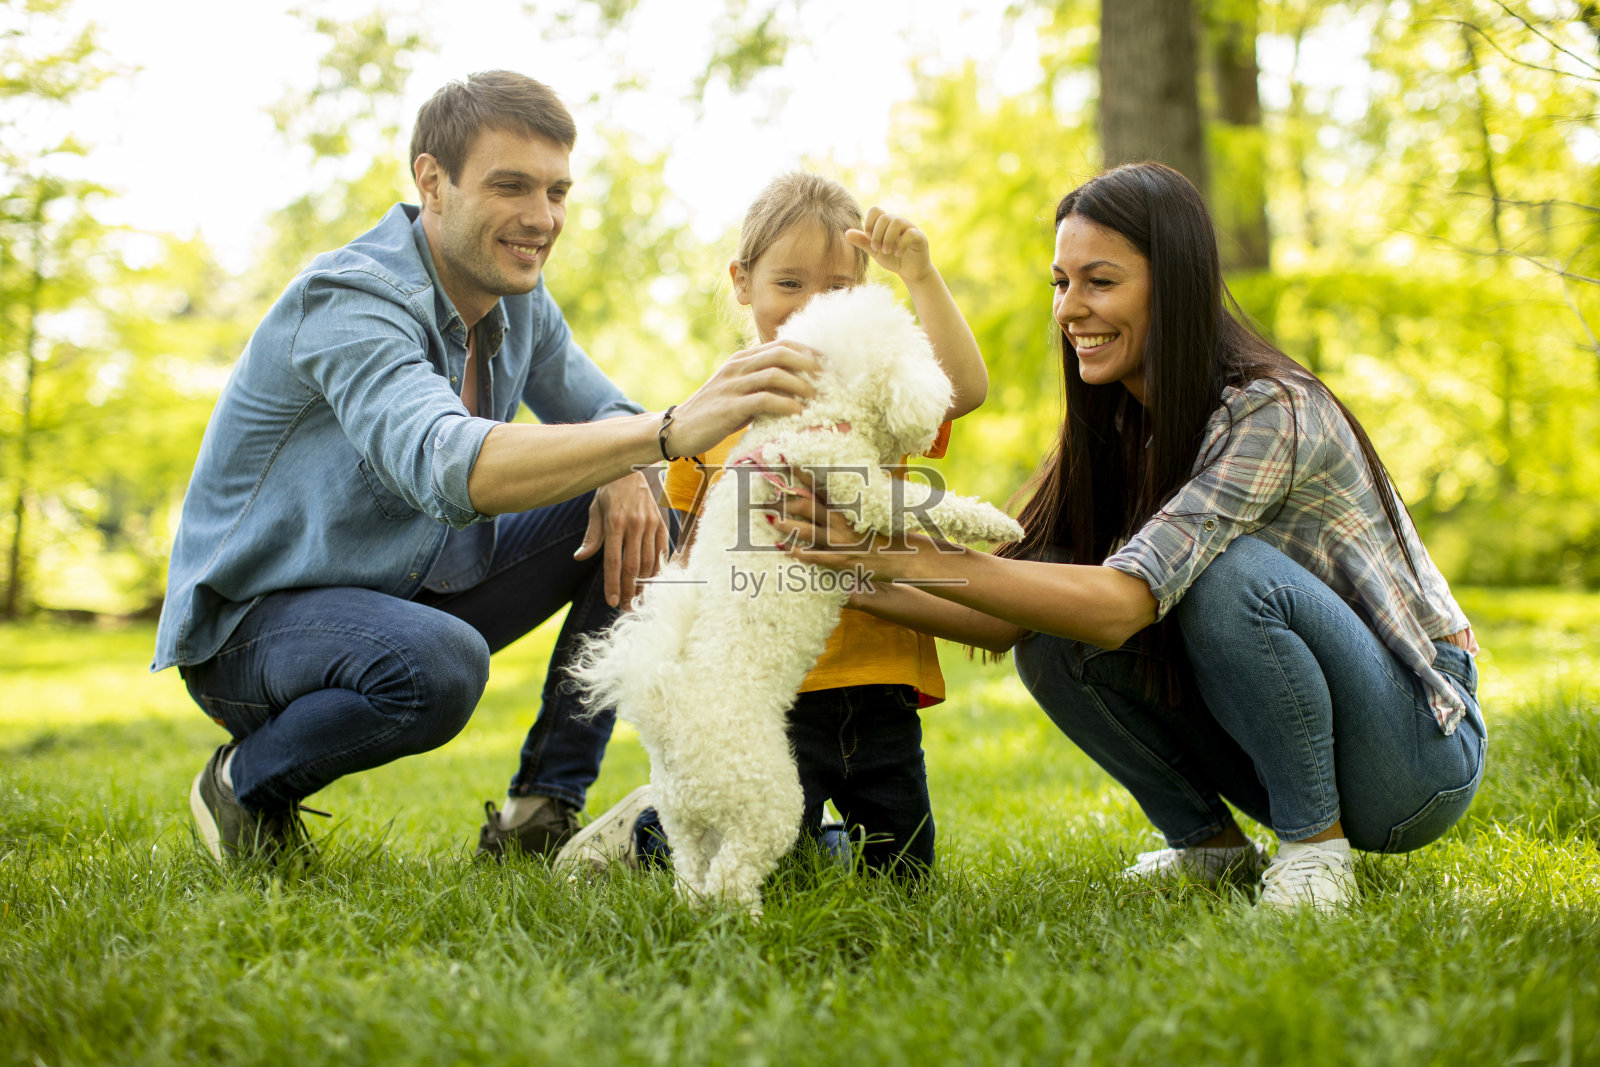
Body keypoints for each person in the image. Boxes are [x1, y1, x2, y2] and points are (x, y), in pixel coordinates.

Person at [773, 162, 1487, 912]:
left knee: (1227, 574)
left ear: (1173, 285)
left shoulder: (1271, 409)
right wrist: (839, 569)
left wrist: (886, 547)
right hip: (1306, 740)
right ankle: (1210, 848)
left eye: (1100, 282)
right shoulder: (1116, 423)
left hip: (1414, 750)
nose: (1070, 308)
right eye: (1061, 283)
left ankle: (1315, 853)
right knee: (1053, 622)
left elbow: (1122, 605)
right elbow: (1004, 613)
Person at [157, 70, 825, 866]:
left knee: (642, 501)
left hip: (407, 587)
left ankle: (540, 810)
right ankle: (243, 783)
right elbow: (449, 464)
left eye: (556, 191)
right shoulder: (349, 300)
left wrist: (624, 461)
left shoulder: (519, 304)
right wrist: (660, 433)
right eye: (511, 186)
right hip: (256, 628)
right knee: (437, 662)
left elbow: (608, 415)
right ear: (432, 181)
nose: (542, 219)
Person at [557, 171, 988, 878]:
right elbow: (692, 564)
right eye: (789, 284)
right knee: (762, 842)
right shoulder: (718, 417)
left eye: (838, 288)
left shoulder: (877, 402)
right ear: (743, 282)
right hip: (772, 691)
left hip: (880, 681)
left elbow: (962, 389)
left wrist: (919, 274)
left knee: (906, 873)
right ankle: (650, 831)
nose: (811, 308)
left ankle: (814, 839)